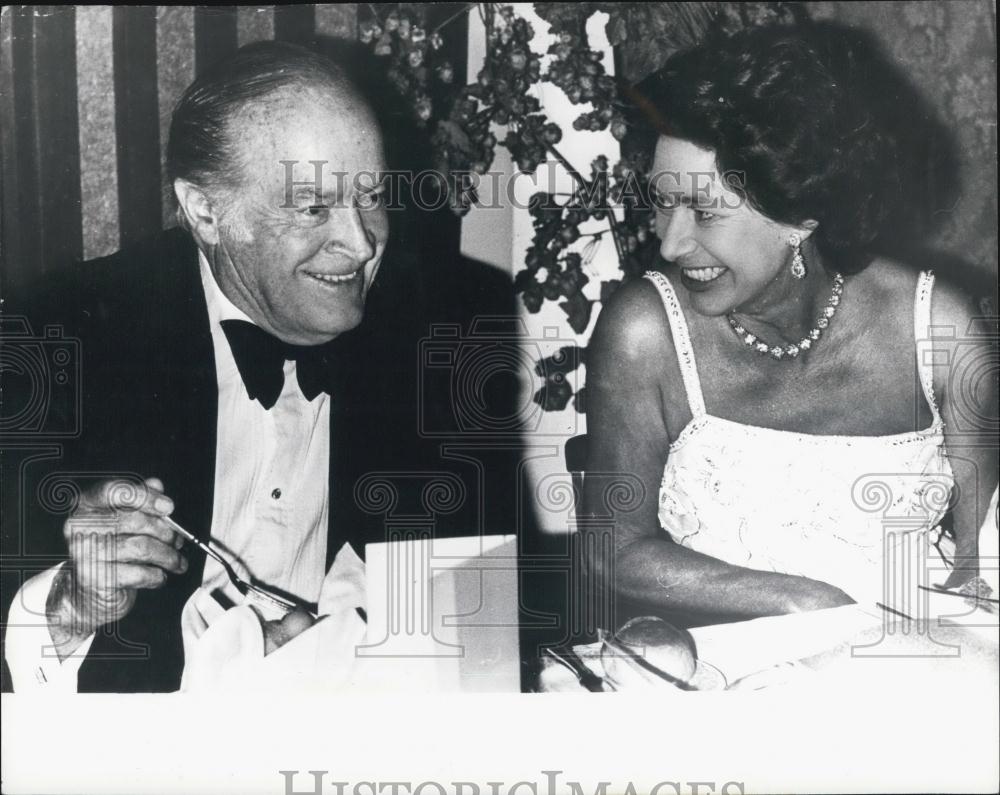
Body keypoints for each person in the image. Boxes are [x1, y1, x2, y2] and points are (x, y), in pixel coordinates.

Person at [2, 41, 473, 692]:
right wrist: (76, 603)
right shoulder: (61, 338)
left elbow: (478, 645)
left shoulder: (442, 339)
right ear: (206, 212)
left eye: (372, 196)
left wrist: (345, 654)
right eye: (314, 207)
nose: (362, 243)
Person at [583, 23, 998, 625]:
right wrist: (807, 604)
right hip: (724, 667)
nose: (671, 243)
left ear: (802, 214)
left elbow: (980, 553)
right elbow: (612, 550)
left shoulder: (942, 328)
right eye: (662, 202)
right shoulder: (644, 333)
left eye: (704, 211)